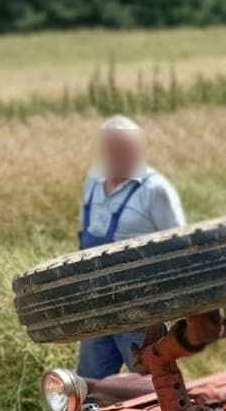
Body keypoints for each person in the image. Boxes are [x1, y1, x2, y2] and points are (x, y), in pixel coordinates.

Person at [75, 115, 186, 377]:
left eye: (131, 150)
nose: (126, 157)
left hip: (140, 311)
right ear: (103, 151)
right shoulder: (93, 181)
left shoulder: (156, 190)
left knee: (154, 383)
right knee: (91, 386)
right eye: (116, 151)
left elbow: (180, 246)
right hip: (98, 308)